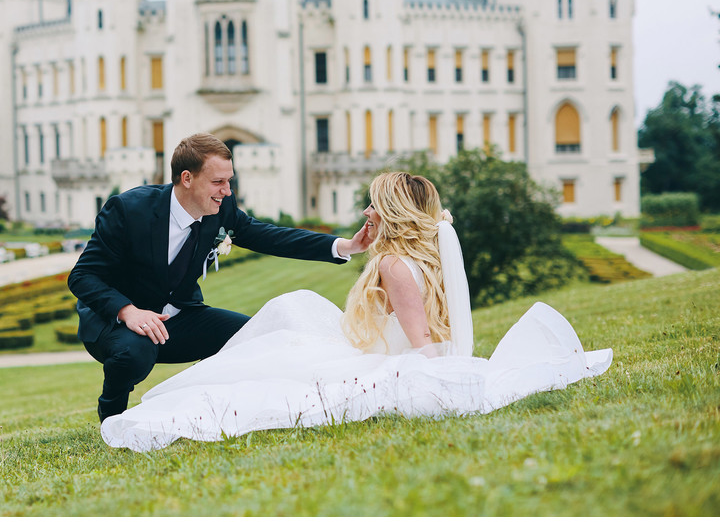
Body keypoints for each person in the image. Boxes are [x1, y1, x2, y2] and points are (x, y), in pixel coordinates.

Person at [100, 171, 613, 452]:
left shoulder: (394, 263)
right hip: (132, 319)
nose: (366, 211)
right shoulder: (415, 257)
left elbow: (419, 342)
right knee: (288, 316)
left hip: (383, 359)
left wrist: (438, 376)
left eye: (373, 204)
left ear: (389, 213)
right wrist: (349, 246)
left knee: (285, 325)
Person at [68, 133, 372, 422]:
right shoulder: (128, 209)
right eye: (218, 182)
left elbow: (269, 236)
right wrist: (128, 311)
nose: (227, 191)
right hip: (117, 324)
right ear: (187, 178)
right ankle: (112, 415)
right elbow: (82, 276)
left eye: (229, 181)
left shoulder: (221, 208)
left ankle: (210, 412)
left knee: (254, 338)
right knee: (136, 352)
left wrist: (344, 246)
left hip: (180, 317)